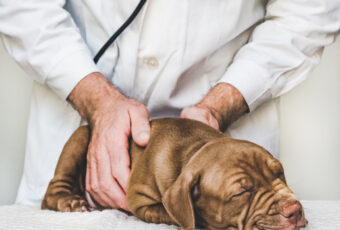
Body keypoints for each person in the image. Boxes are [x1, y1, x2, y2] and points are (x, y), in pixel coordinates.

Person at [0, 0, 339, 211]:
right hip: (76, 136)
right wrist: (97, 100)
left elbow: (311, 10)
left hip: (230, 156)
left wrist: (223, 102)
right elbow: (23, 6)